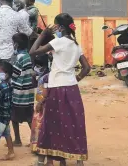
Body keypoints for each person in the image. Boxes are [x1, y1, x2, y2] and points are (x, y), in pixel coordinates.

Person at [30, 13, 91, 166]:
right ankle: (78, 160)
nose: (55, 29)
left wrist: (43, 34)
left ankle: (46, 158)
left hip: (56, 87)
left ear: (61, 27)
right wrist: (75, 78)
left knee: (52, 123)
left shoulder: (58, 42)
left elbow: (32, 52)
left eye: (56, 26)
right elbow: (86, 68)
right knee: (74, 122)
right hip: (71, 87)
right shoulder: (76, 45)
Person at [0, 0, 33, 84]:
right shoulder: (17, 15)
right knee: (8, 80)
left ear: (0, 0)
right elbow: (28, 32)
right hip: (9, 54)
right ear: (12, 2)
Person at [10, 33, 35, 146]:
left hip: (19, 93)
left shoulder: (19, 58)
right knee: (30, 118)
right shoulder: (28, 56)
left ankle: (17, 140)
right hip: (28, 92)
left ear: (16, 44)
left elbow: (14, 75)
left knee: (14, 117)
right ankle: (35, 140)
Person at [30, 53, 50, 156]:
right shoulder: (43, 75)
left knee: (39, 124)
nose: (36, 69)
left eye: (38, 66)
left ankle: (38, 146)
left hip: (42, 102)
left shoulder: (45, 77)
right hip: (41, 101)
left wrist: (39, 103)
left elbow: (43, 92)